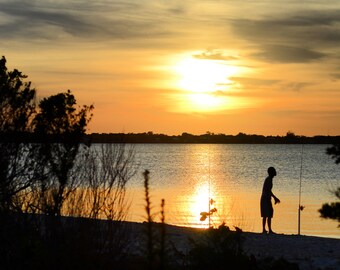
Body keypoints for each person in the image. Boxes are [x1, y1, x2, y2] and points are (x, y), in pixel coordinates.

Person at [261, 167, 280, 234]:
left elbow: (269, 190)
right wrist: (275, 198)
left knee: (268, 213)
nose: (275, 172)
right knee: (266, 214)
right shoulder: (268, 179)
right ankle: (265, 229)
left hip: (266, 198)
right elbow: (268, 190)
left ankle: (268, 229)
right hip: (265, 198)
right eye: (274, 171)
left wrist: (274, 198)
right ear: (271, 172)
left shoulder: (270, 179)